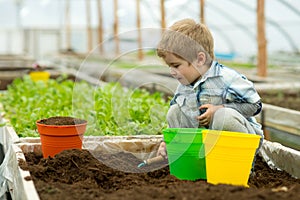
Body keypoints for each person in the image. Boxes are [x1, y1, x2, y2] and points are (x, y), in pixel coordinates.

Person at [156, 18, 264, 161]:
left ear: (200, 60)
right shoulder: (184, 86)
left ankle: (237, 165)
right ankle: (192, 162)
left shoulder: (227, 78)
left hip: (240, 144)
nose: (172, 71)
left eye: (176, 65)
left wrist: (220, 108)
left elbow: (255, 105)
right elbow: (175, 124)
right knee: (175, 112)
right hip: (205, 144)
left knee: (222, 117)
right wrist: (166, 142)